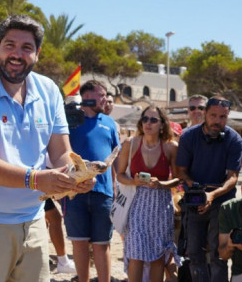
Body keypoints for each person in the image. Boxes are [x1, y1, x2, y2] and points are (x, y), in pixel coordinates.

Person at [0, 14, 89, 282]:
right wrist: (37, 179)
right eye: (10, 45)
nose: (17, 54)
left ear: (37, 53)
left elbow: (60, 152)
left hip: (34, 219)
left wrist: (77, 174)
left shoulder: (49, 90)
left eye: (26, 48)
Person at [176, 96, 242, 281]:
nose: (217, 121)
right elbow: (181, 171)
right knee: (194, 253)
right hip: (194, 200)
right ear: (205, 113)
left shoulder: (234, 139)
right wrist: (196, 190)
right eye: (213, 115)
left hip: (222, 202)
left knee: (218, 255)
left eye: (222, 117)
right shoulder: (189, 136)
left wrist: (211, 195)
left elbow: (233, 177)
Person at [63, 79, 119, 282]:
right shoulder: (69, 120)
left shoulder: (110, 123)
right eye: (101, 95)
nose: (106, 99)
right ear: (87, 96)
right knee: (79, 243)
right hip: (73, 192)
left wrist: (114, 190)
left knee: (102, 244)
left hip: (103, 193)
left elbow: (115, 158)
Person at [116, 106, 180, 281]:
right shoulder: (131, 143)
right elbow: (120, 175)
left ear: (162, 124)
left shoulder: (171, 147)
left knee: (158, 257)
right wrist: (134, 182)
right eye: (145, 119)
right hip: (136, 203)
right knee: (136, 255)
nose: (148, 123)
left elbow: (177, 179)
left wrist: (161, 184)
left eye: (153, 120)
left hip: (161, 205)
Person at [45, 198, 76, 273]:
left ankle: (40, 256)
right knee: (54, 218)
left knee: (44, 219)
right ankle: (63, 262)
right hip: (34, 190)